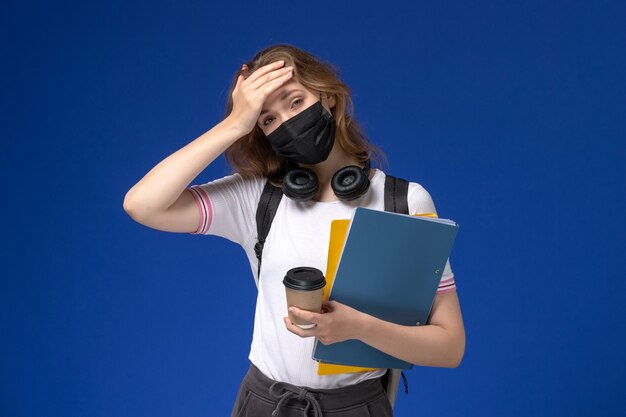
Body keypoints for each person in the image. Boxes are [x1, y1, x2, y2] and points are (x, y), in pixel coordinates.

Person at [123, 43, 465, 417]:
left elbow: (450, 346)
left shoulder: (404, 203)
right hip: (264, 404)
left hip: (355, 407)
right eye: (267, 119)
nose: (286, 122)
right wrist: (235, 123)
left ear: (328, 98)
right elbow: (142, 204)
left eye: (295, 101)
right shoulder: (257, 197)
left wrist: (358, 328)